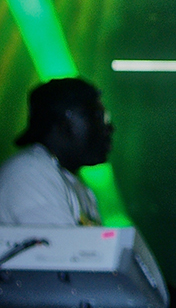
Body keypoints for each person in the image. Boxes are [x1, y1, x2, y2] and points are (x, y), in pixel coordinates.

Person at [0, 77, 110, 227]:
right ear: (67, 119)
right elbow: (64, 243)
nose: (109, 128)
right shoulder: (31, 172)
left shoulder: (72, 181)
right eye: (98, 116)